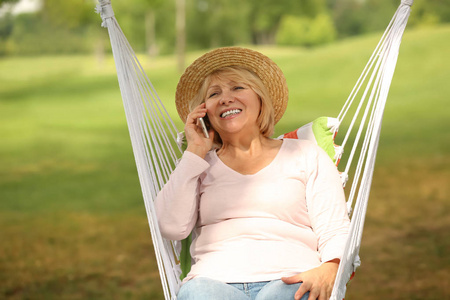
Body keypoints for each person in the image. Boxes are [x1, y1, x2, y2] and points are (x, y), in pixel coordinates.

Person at [155, 47, 350, 300]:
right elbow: (170, 227)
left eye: (237, 88)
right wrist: (194, 151)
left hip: (292, 280)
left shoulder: (306, 154)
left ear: (260, 100)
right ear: (205, 113)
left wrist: (331, 267)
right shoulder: (198, 166)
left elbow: (335, 229)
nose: (225, 98)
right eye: (214, 94)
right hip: (212, 283)